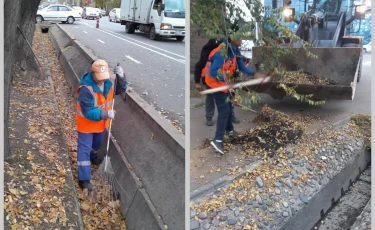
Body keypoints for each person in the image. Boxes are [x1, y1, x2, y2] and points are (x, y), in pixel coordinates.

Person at [202, 38, 266, 154]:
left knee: (230, 107)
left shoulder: (235, 50)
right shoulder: (222, 52)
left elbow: (241, 67)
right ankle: (217, 140)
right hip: (216, 84)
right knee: (224, 110)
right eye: (239, 37)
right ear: (232, 38)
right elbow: (213, 71)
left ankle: (229, 130)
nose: (242, 40)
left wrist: (254, 74)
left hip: (225, 83)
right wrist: (226, 80)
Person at [75, 59, 117, 191]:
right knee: (84, 150)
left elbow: (119, 89)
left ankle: (93, 157)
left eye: (103, 78)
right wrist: (106, 114)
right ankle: (84, 179)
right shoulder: (85, 89)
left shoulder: (108, 83)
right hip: (86, 126)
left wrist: (122, 78)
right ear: (92, 73)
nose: (101, 81)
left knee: (97, 144)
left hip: (100, 125)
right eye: (99, 78)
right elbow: (87, 112)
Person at [194, 39, 241, 126]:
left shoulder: (232, 52)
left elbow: (236, 64)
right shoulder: (212, 52)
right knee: (210, 97)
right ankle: (209, 117)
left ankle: (231, 115)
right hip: (211, 79)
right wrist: (197, 82)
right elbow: (198, 66)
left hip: (226, 79)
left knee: (230, 96)